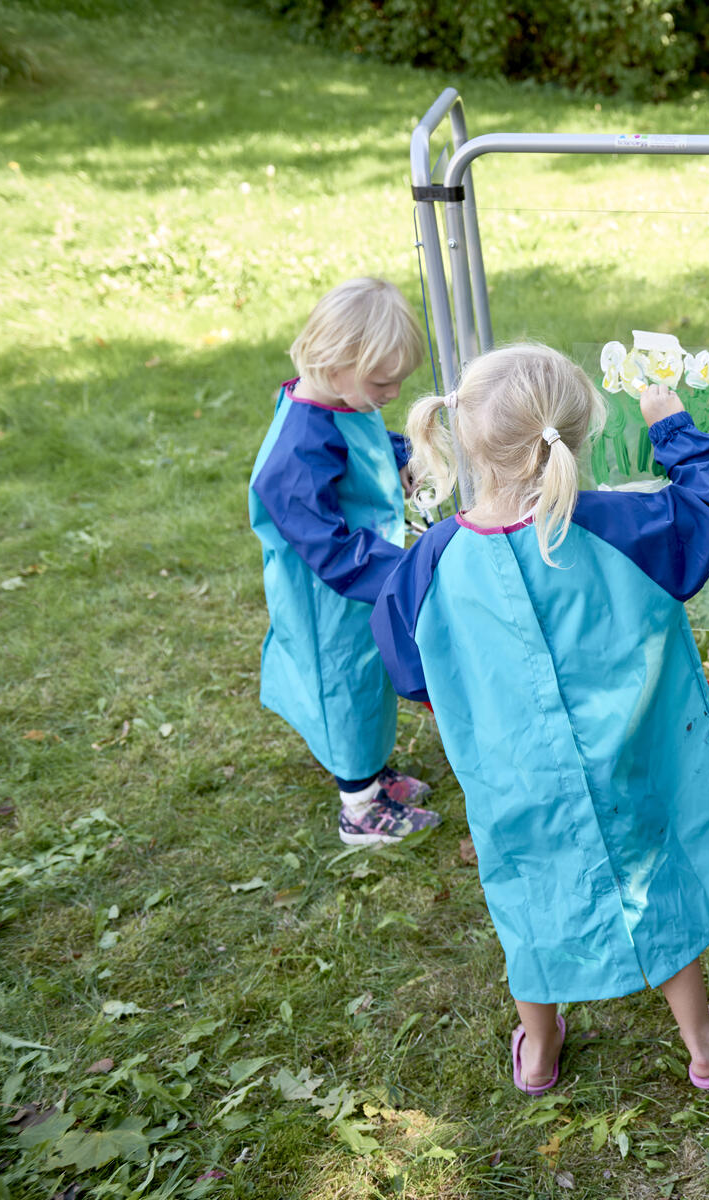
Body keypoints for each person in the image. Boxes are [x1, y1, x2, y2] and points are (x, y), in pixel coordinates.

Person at [371, 343, 709, 1093]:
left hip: (511, 776)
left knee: (526, 894)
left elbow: (408, 670)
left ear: (467, 438)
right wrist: (670, 422)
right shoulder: (622, 526)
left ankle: (540, 1049)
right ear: (577, 435)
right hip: (631, 763)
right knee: (655, 877)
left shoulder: (428, 563)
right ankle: (703, 1042)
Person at [249, 277, 442, 846]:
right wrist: (404, 575)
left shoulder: (340, 400)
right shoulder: (298, 447)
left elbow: (366, 442)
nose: (394, 392)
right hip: (329, 596)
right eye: (383, 382)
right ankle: (359, 807)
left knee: (371, 676)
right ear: (334, 366)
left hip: (361, 582)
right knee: (345, 689)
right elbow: (328, 546)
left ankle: (373, 776)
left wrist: (403, 456)